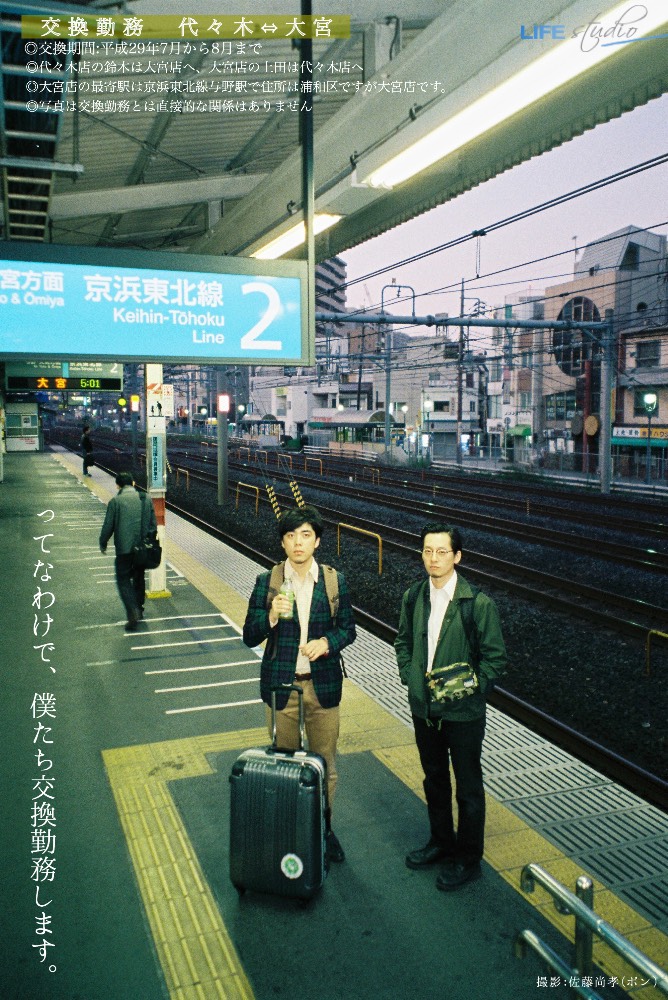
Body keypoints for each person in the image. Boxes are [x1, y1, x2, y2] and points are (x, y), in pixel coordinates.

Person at [395, 522, 506, 891]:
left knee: (468, 787)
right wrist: (410, 676)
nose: (434, 558)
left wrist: (467, 690)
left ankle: (468, 859)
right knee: (434, 780)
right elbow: (403, 642)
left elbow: (495, 659)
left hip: (463, 714)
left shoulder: (477, 605)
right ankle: (441, 842)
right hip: (424, 710)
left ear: (457, 556)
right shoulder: (414, 596)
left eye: (442, 552)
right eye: (428, 551)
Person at [243, 504, 356, 863]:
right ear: (282, 542)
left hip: (322, 687)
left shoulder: (334, 582)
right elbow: (249, 635)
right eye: (290, 535)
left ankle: (324, 829)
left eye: (305, 535)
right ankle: (289, 830)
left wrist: (327, 643)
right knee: (284, 764)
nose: (297, 542)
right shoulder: (268, 582)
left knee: (325, 764)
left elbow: (348, 630)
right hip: (282, 687)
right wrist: (271, 615)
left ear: (317, 541)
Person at [99, 471, 157, 632]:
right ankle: (139, 608)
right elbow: (153, 524)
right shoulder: (145, 498)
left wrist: (103, 543)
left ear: (118, 485)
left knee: (123, 580)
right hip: (142, 548)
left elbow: (108, 526)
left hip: (124, 550)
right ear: (132, 483)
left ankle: (132, 610)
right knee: (139, 576)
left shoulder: (115, 502)